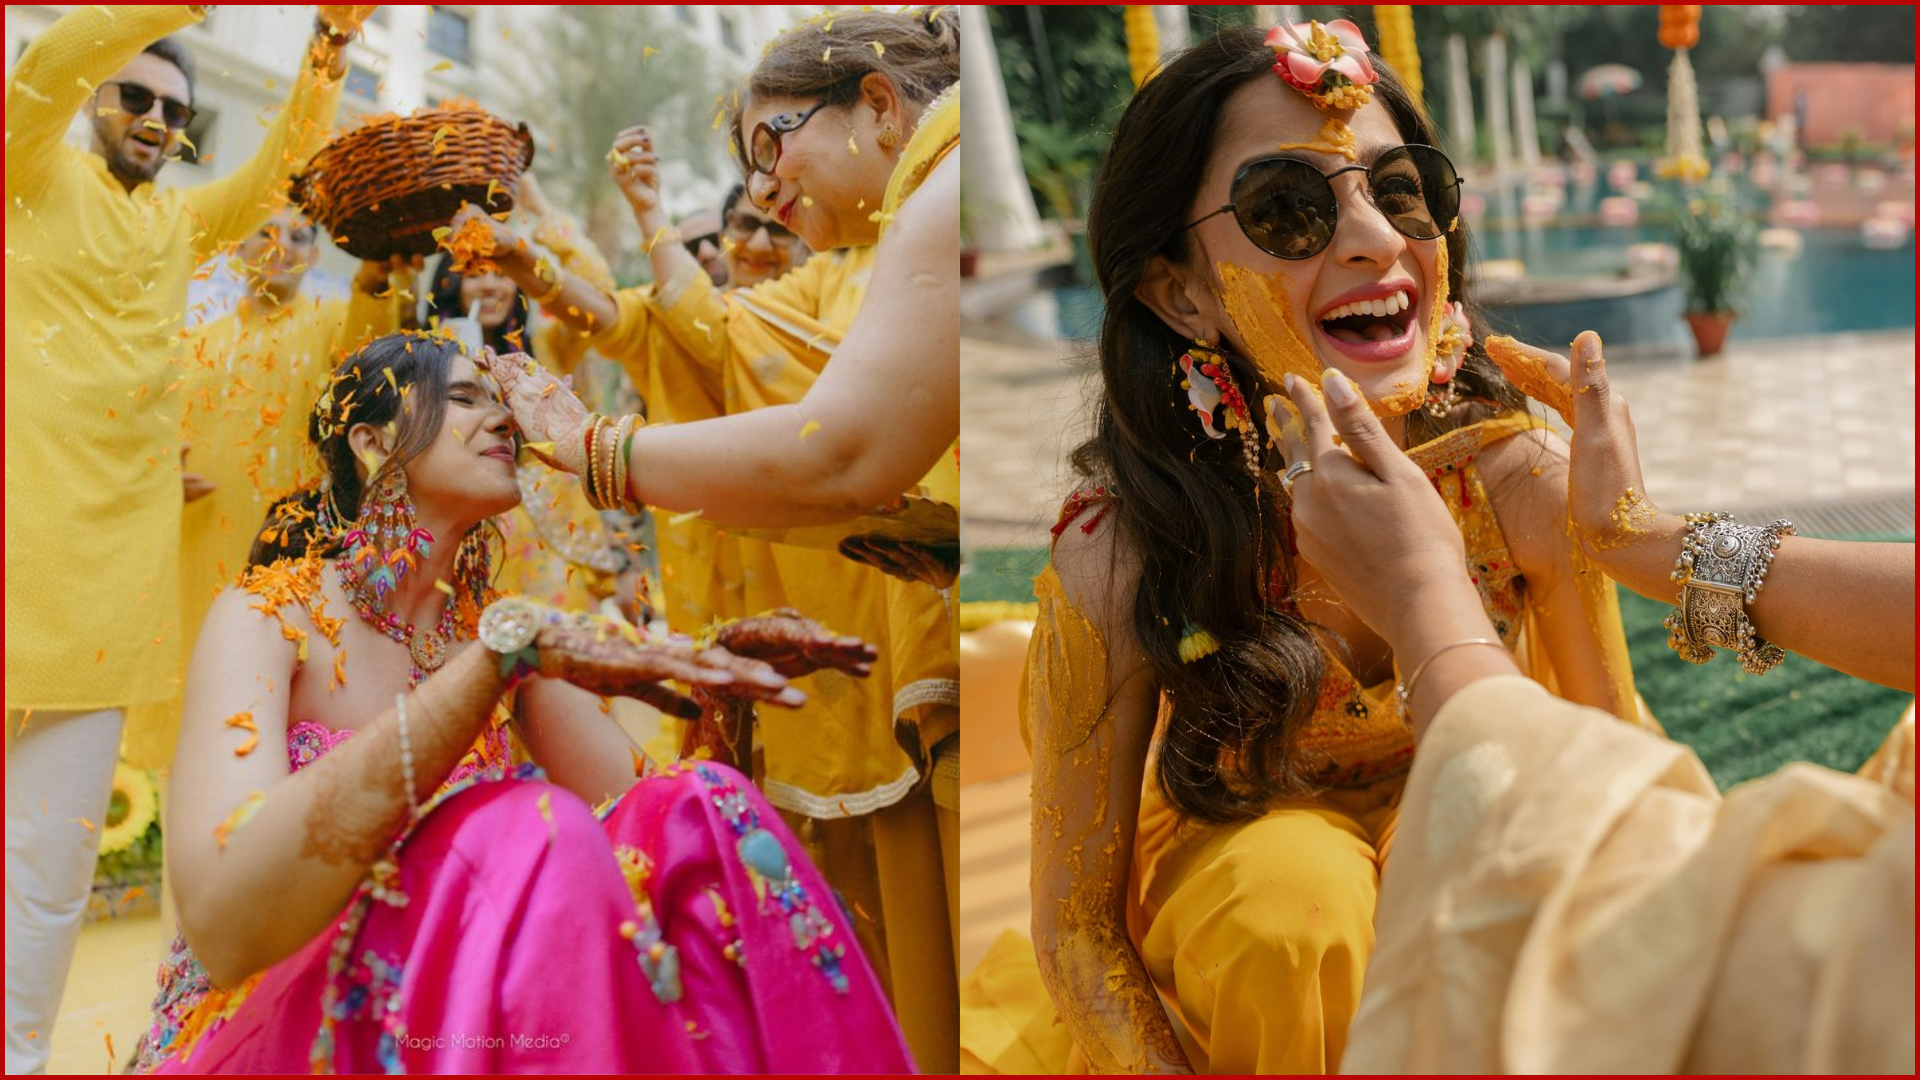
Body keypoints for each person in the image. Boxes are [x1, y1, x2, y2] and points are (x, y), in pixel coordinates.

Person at [957, 23, 1653, 1074]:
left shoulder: (1519, 483)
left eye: (1401, 191)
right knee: (1294, 905)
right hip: (1242, 903)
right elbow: (1075, 930)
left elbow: (1615, 773)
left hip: (1461, 842)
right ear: (1179, 293)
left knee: (1503, 841)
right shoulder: (1121, 554)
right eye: (1289, 210)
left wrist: (1630, 536)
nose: (1374, 238)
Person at [129, 332, 914, 1073]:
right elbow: (224, 920)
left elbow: (645, 839)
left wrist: (721, 700)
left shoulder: (502, 633)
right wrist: (492, 665)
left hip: (477, 1006)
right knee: (521, 824)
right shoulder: (270, 616)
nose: (505, 415)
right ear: (370, 444)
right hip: (284, 1010)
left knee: (700, 800)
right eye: (465, 398)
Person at [476, 10, 964, 1070]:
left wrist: (593, 448)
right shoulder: (911, 213)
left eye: (769, 146)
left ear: (879, 105)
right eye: (744, 184)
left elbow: (839, 445)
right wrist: (554, 247)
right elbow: (670, 327)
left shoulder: (929, 203)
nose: (763, 203)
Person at [1272, 333, 1912, 1074]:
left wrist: (1424, 602)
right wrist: (1647, 541)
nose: (1379, 241)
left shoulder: (1515, 472)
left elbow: (1645, 940)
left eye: (1409, 207)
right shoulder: (1123, 531)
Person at [3, 7, 358, 1070]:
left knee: (48, 877)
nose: (157, 119)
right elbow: (55, 58)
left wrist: (332, 45)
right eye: (137, 97)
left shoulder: (176, 231)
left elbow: (282, 176)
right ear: (96, 103)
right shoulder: (30, 174)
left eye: (176, 110)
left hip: (101, 597)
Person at [122, 208, 415, 774]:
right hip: (196, 546)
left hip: (295, 552)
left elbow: (374, 346)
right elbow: (146, 438)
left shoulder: (334, 324)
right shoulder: (192, 344)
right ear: (237, 248)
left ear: (313, 256)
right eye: (266, 231)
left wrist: (376, 278)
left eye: (300, 236)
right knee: (195, 698)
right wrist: (158, 476)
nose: (281, 246)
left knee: (287, 695)